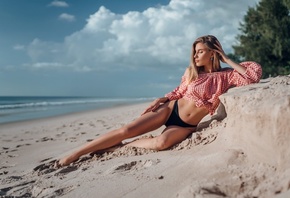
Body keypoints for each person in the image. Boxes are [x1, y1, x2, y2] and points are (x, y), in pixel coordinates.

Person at [56, 35, 262, 167]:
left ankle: (117, 147)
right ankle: (76, 153)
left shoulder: (227, 75)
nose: (195, 56)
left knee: (161, 143)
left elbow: (253, 76)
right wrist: (162, 98)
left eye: (200, 51)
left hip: (186, 125)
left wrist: (226, 59)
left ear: (212, 53)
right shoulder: (192, 72)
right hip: (170, 109)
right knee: (126, 130)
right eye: (194, 52)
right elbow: (178, 91)